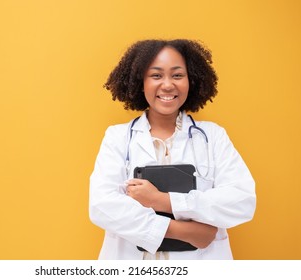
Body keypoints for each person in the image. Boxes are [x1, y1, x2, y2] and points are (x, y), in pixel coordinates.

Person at [89, 39, 256, 260]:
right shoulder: (118, 137)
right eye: (156, 75)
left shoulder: (213, 137)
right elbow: (102, 206)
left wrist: (162, 200)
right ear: (141, 82)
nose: (167, 85)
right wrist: (186, 231)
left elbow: (241, 201)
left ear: (191, 81)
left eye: (177, 75)